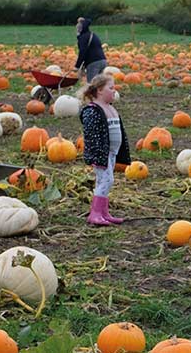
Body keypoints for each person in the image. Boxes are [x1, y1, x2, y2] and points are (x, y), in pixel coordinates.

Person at [80, 74, 131, 226]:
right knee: (105, 180)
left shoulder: (110, 108)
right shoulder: (93, 110)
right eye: (111, 88)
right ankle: (95, 213)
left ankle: (104, 212)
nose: (114, 91)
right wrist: (96, 153)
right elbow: (91, 135)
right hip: (101, 153)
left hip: (112, 152)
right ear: (100, 90)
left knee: (106, 181)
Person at [74, 18, 108, 82]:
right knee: (100, 84)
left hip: (94, 63)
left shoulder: (83, 37)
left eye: (77, 29)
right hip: (103, 61)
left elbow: (82, 52)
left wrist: (77, 66)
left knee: (92, 84)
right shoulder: (93, 34)